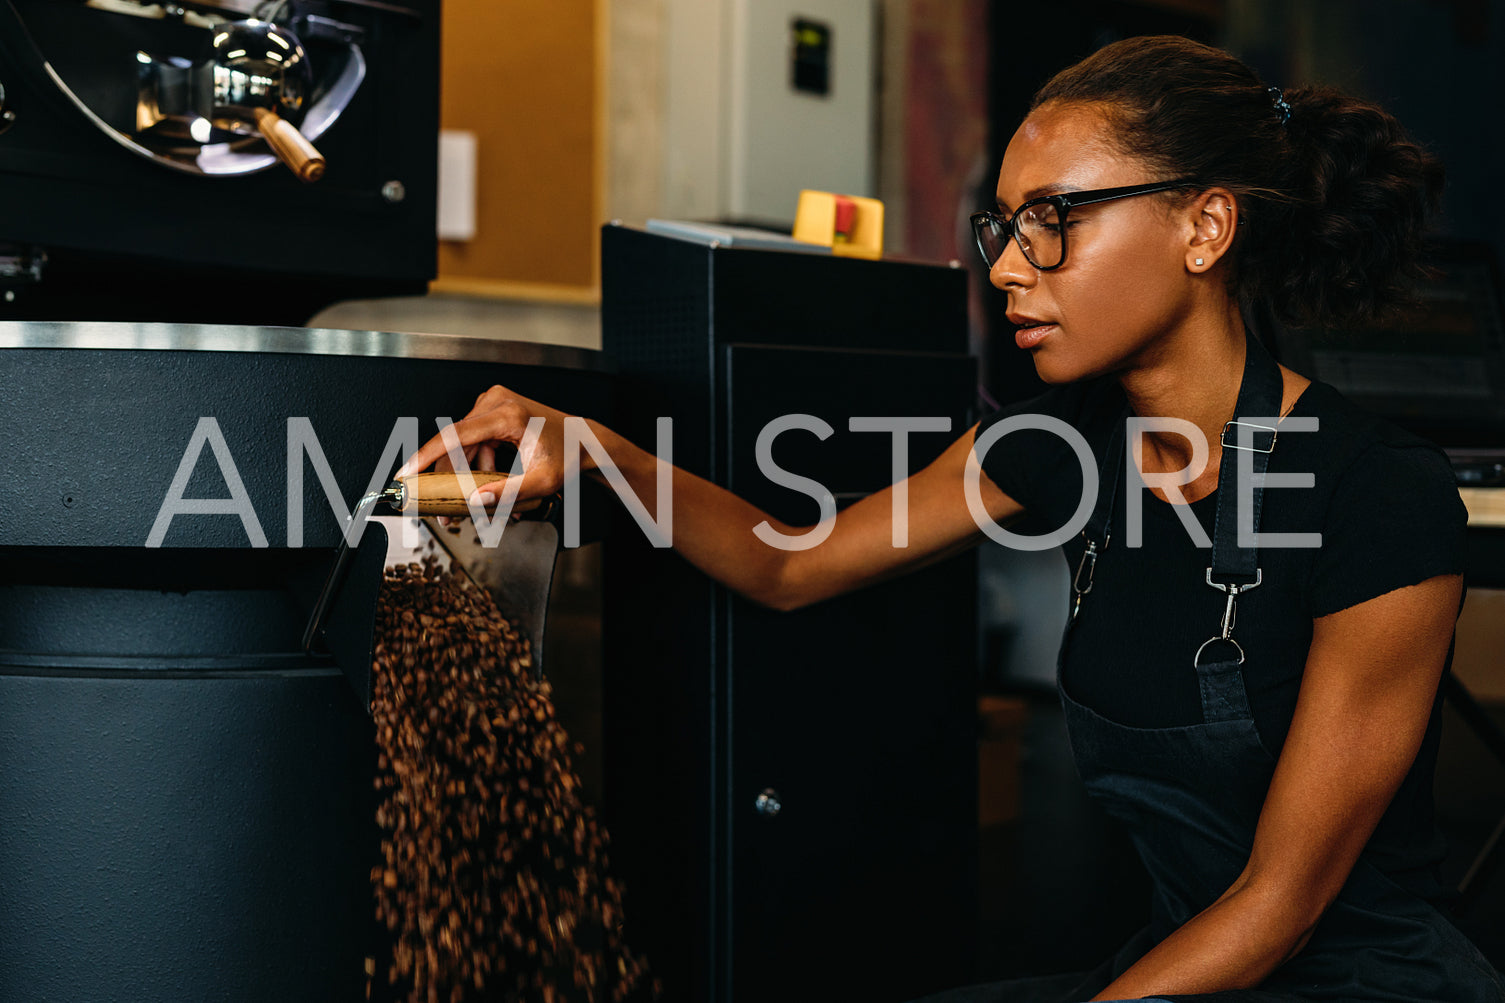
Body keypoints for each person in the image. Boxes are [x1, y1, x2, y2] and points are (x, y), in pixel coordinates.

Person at [399, 35, 1505, 1003]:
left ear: (1204, 226)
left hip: (1350, 976)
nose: (1008, 269)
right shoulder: (1057, 446)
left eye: (1053, 222)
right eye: (1004, 227)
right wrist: (591, 448)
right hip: (1179, 965)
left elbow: (1281, 904)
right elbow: (791, 561)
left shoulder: (1377, 497)